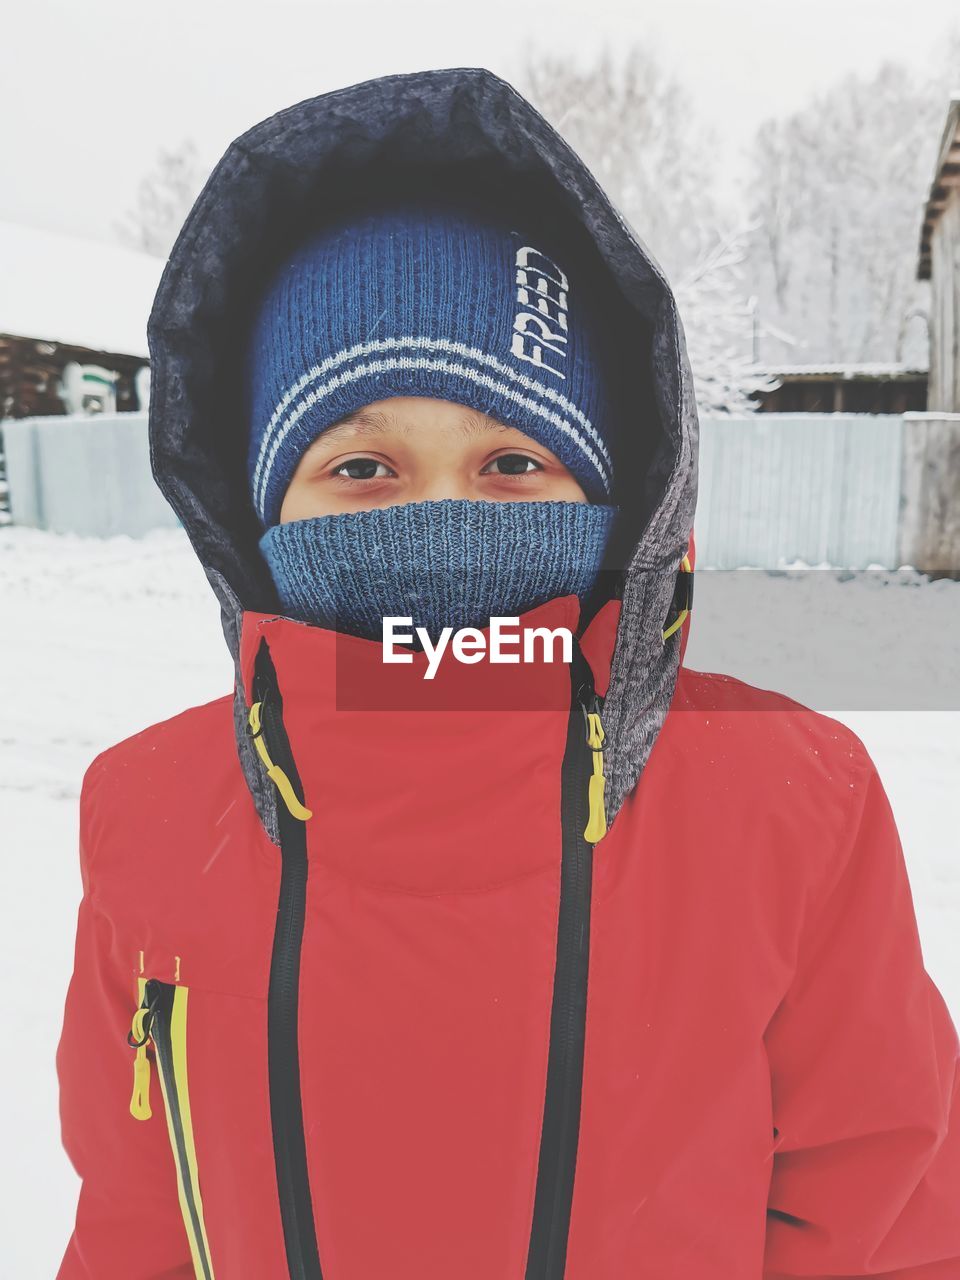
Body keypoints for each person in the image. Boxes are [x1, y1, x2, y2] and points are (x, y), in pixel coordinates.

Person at [55, 68, 960, 1280]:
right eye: (362, 467)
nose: (437, 518)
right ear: (258, 512)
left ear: (616, 489)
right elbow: (139, 1221)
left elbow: (886, 1216)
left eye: (514, 460)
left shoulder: (794, 800)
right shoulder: (152, 811)